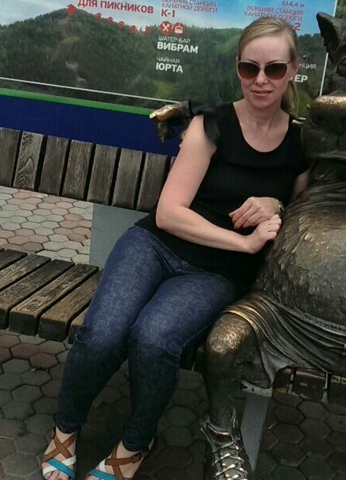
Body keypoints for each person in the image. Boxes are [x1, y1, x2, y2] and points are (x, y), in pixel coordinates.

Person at [41, 15, 309, 480]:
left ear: (294, 70)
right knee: (102, 335)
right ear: (238, 68)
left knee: (154, 340)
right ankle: (65, 429)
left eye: (274, 69)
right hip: (156, 245)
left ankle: (135, 442)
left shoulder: (302, 143)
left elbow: (304, 218)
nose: (261, 80)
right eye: (249, 68)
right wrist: (244, 242)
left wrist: (277, 204)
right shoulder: (213, 123)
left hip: (217, 274)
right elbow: (169, 212)